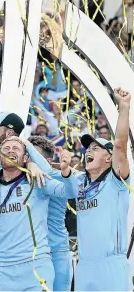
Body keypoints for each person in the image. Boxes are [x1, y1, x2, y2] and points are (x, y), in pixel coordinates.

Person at [58, 89, 132, 291]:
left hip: (111, 265)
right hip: (84, 266)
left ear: (109, 158)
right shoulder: (80, 181)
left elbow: (120, 145)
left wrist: (124, 108)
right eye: (87, 148)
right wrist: (64, 169)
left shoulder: (116, 180)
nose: (88, 151)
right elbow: (61, 178)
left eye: (95, 148)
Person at [0, 137, 78, 291]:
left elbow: (70, 191)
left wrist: (66, 172)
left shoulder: (37, 179)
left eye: (16, 148)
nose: (11, 150)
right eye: (6, 148)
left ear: (26, 158)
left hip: (35, 266)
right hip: (2, 268)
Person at [26, 136, 73, 291]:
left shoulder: (60, 177)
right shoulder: (25, 178)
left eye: (33, 156)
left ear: (47, 160)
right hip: (33, 253)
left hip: (57, 251)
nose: (27, 159)